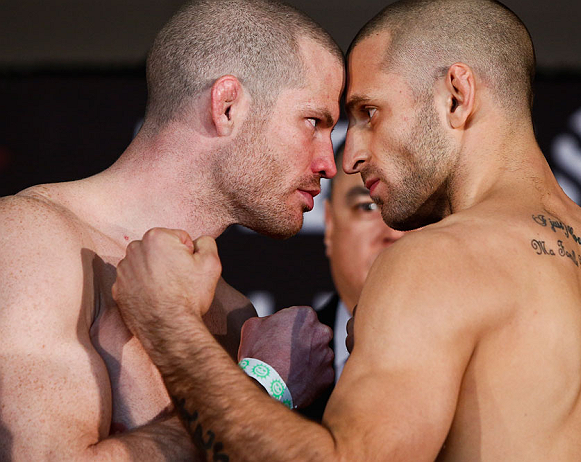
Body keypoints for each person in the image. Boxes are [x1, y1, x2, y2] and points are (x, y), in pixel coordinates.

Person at [113, 0, 581, 460]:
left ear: (456, 96)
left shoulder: (440, 260)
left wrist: (171, 328)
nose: (350, 158)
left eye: (368, 113)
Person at [0, 0, 344, 459]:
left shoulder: (235, 312)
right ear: (226, 106)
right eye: (313, 122)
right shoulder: (32, 239)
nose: (329, 164)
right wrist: (260, 385)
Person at [301, 148, 405, 421]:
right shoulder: (280, 370)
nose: (393, 232)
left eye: (412, 208)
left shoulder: (483, 365)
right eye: (368, 207)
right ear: (330, 223)